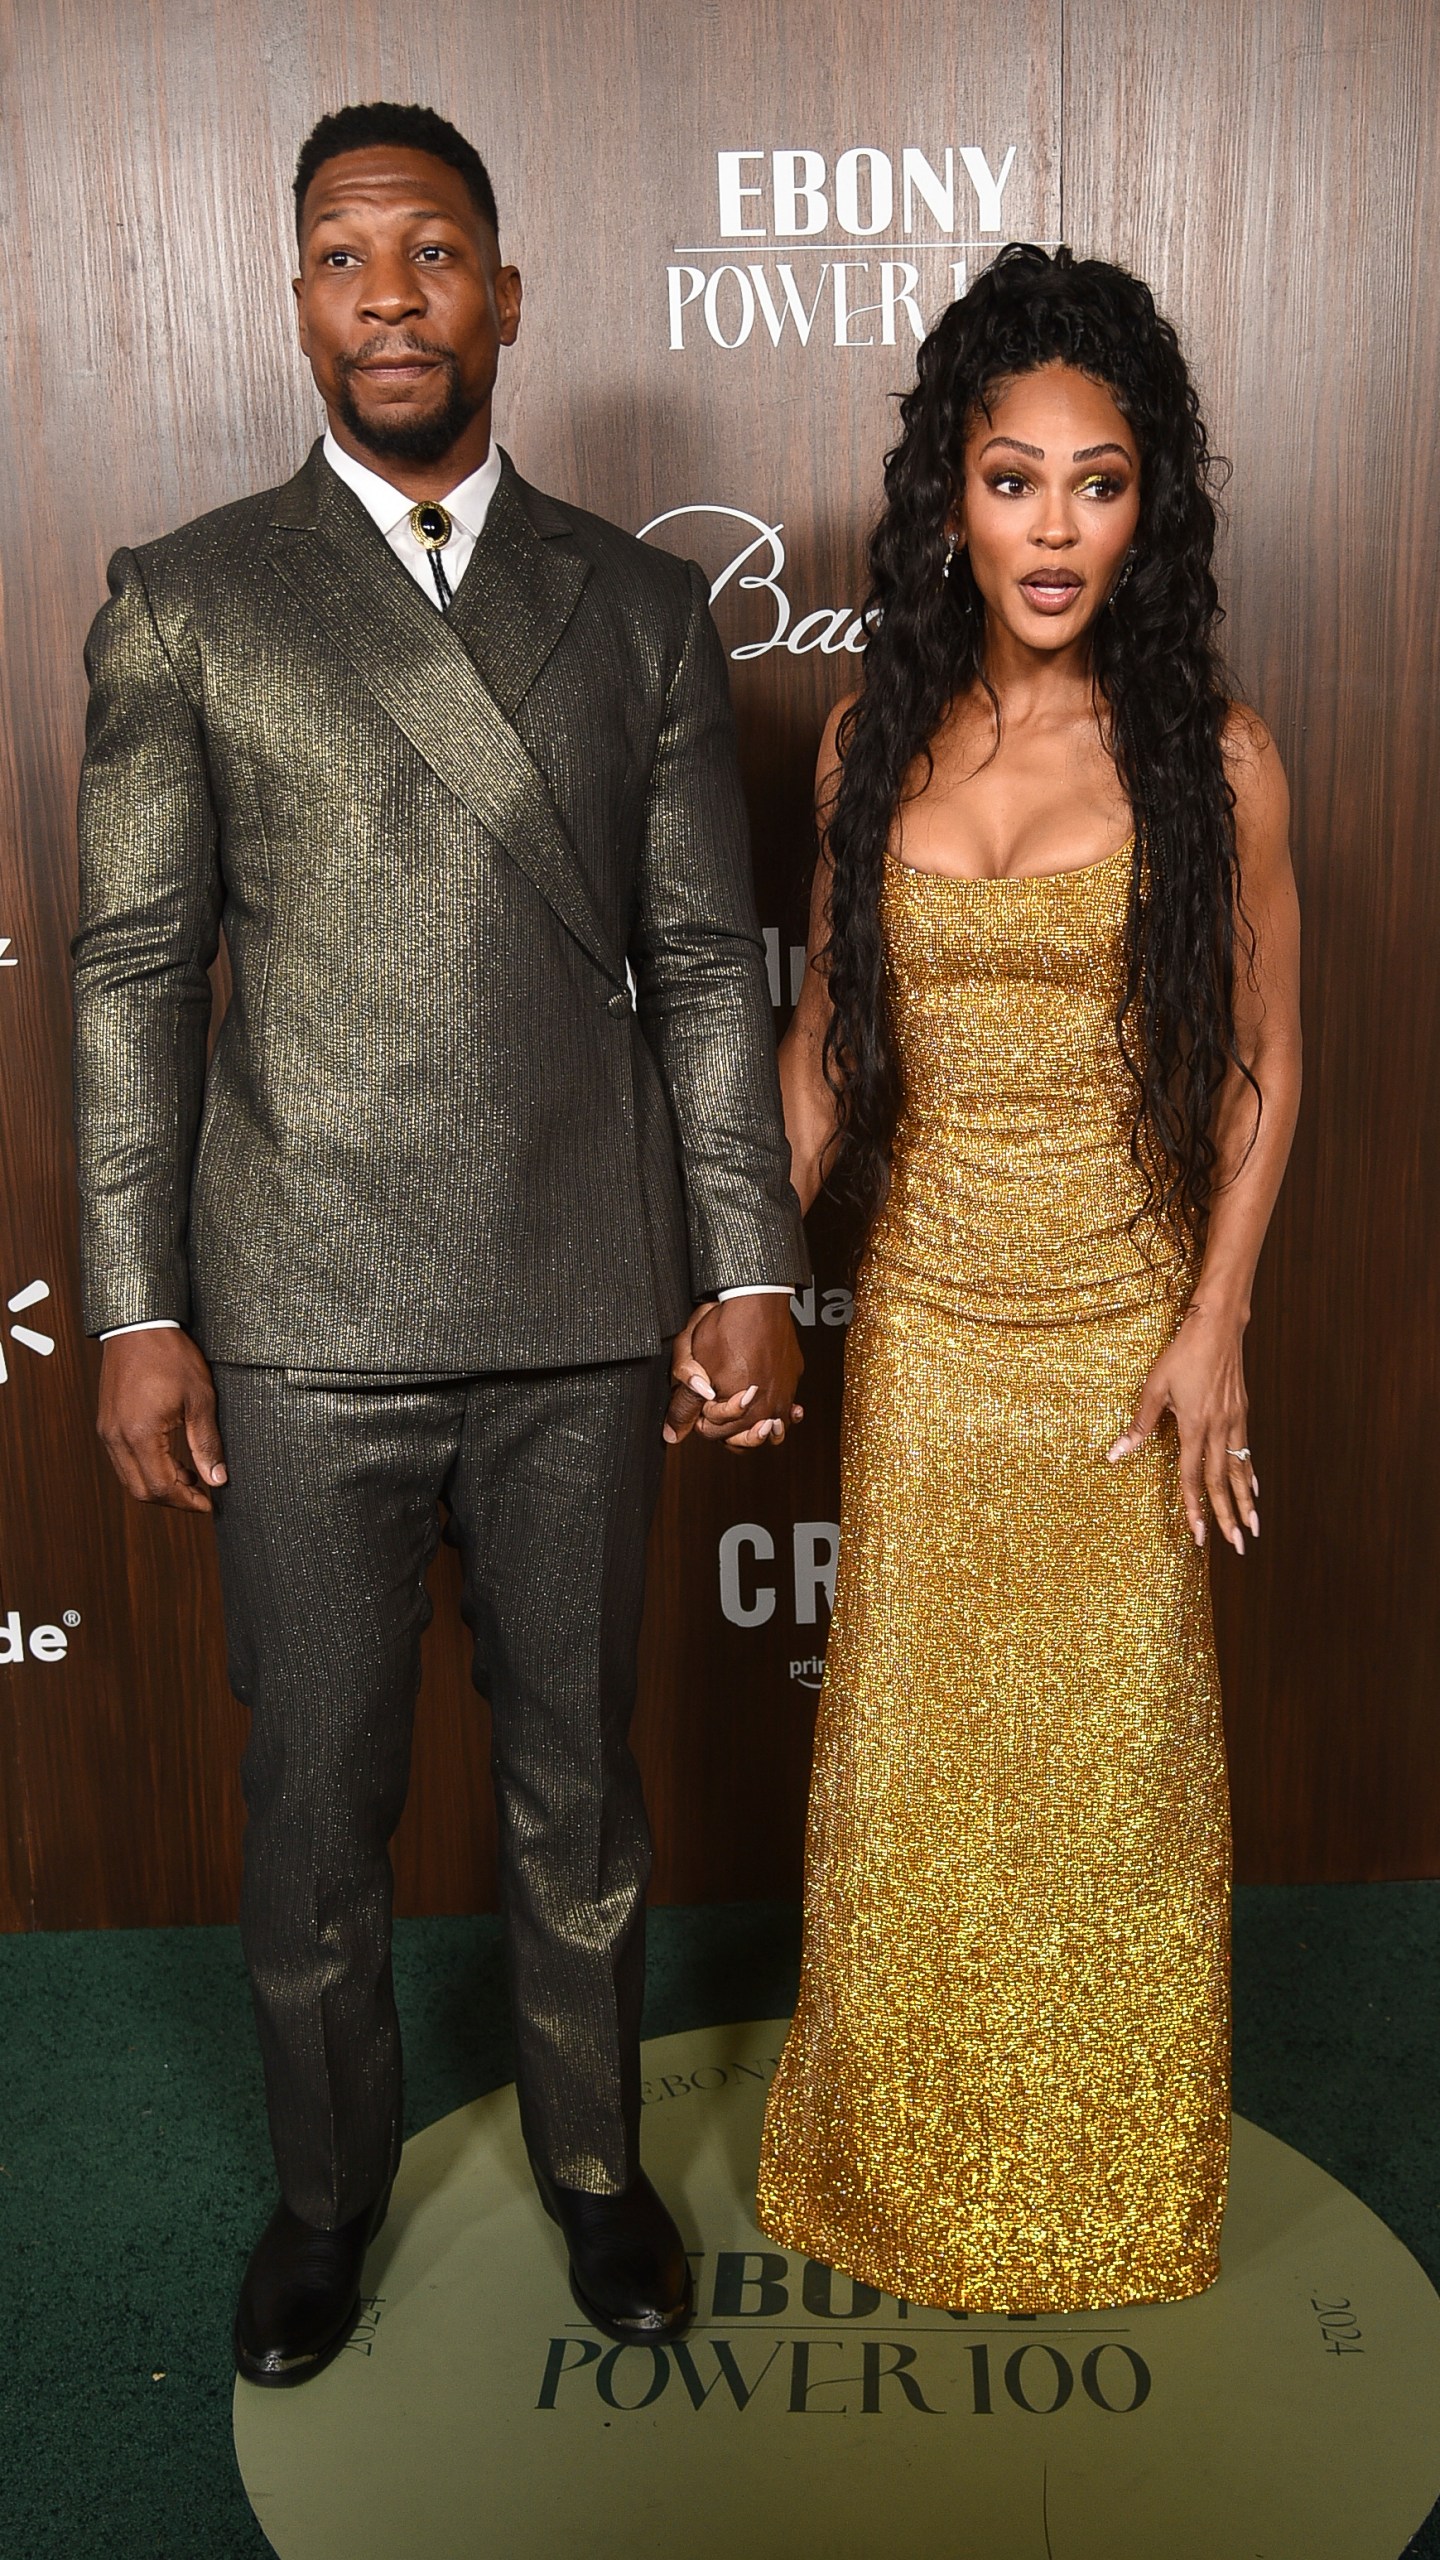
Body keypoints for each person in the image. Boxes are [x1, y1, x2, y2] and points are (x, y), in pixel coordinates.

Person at [72, 99, 805, 2386]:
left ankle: (597, 2165)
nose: (386, 291)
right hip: (293, 1305)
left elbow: (707, 964)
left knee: (580, 1773)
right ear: (298, 302)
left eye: (430, 251)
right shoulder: (187, 595)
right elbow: (127, 968)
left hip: (585, 1289)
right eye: (338, 255)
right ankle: (323, 2191)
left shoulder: (642, 603)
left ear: (507, 292)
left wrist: (748, 1259)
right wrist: (143, 1305)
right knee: (315, 1795)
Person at [745, 245, 1302, 2310]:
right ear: (949, 497)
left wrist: (1216, 1315)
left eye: (1098, 481)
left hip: (1116, 1338)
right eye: (1011, 479)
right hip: (923, 1327)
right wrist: (724, 1279)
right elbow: (822, 1071)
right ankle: (907, 2175)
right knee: (917, 1771)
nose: (1053, 527)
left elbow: (1263, 1061)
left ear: (1149, 504)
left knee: (1111, 1785)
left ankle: (1108, 2186)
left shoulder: (1213, 757)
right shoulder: (863, 749)